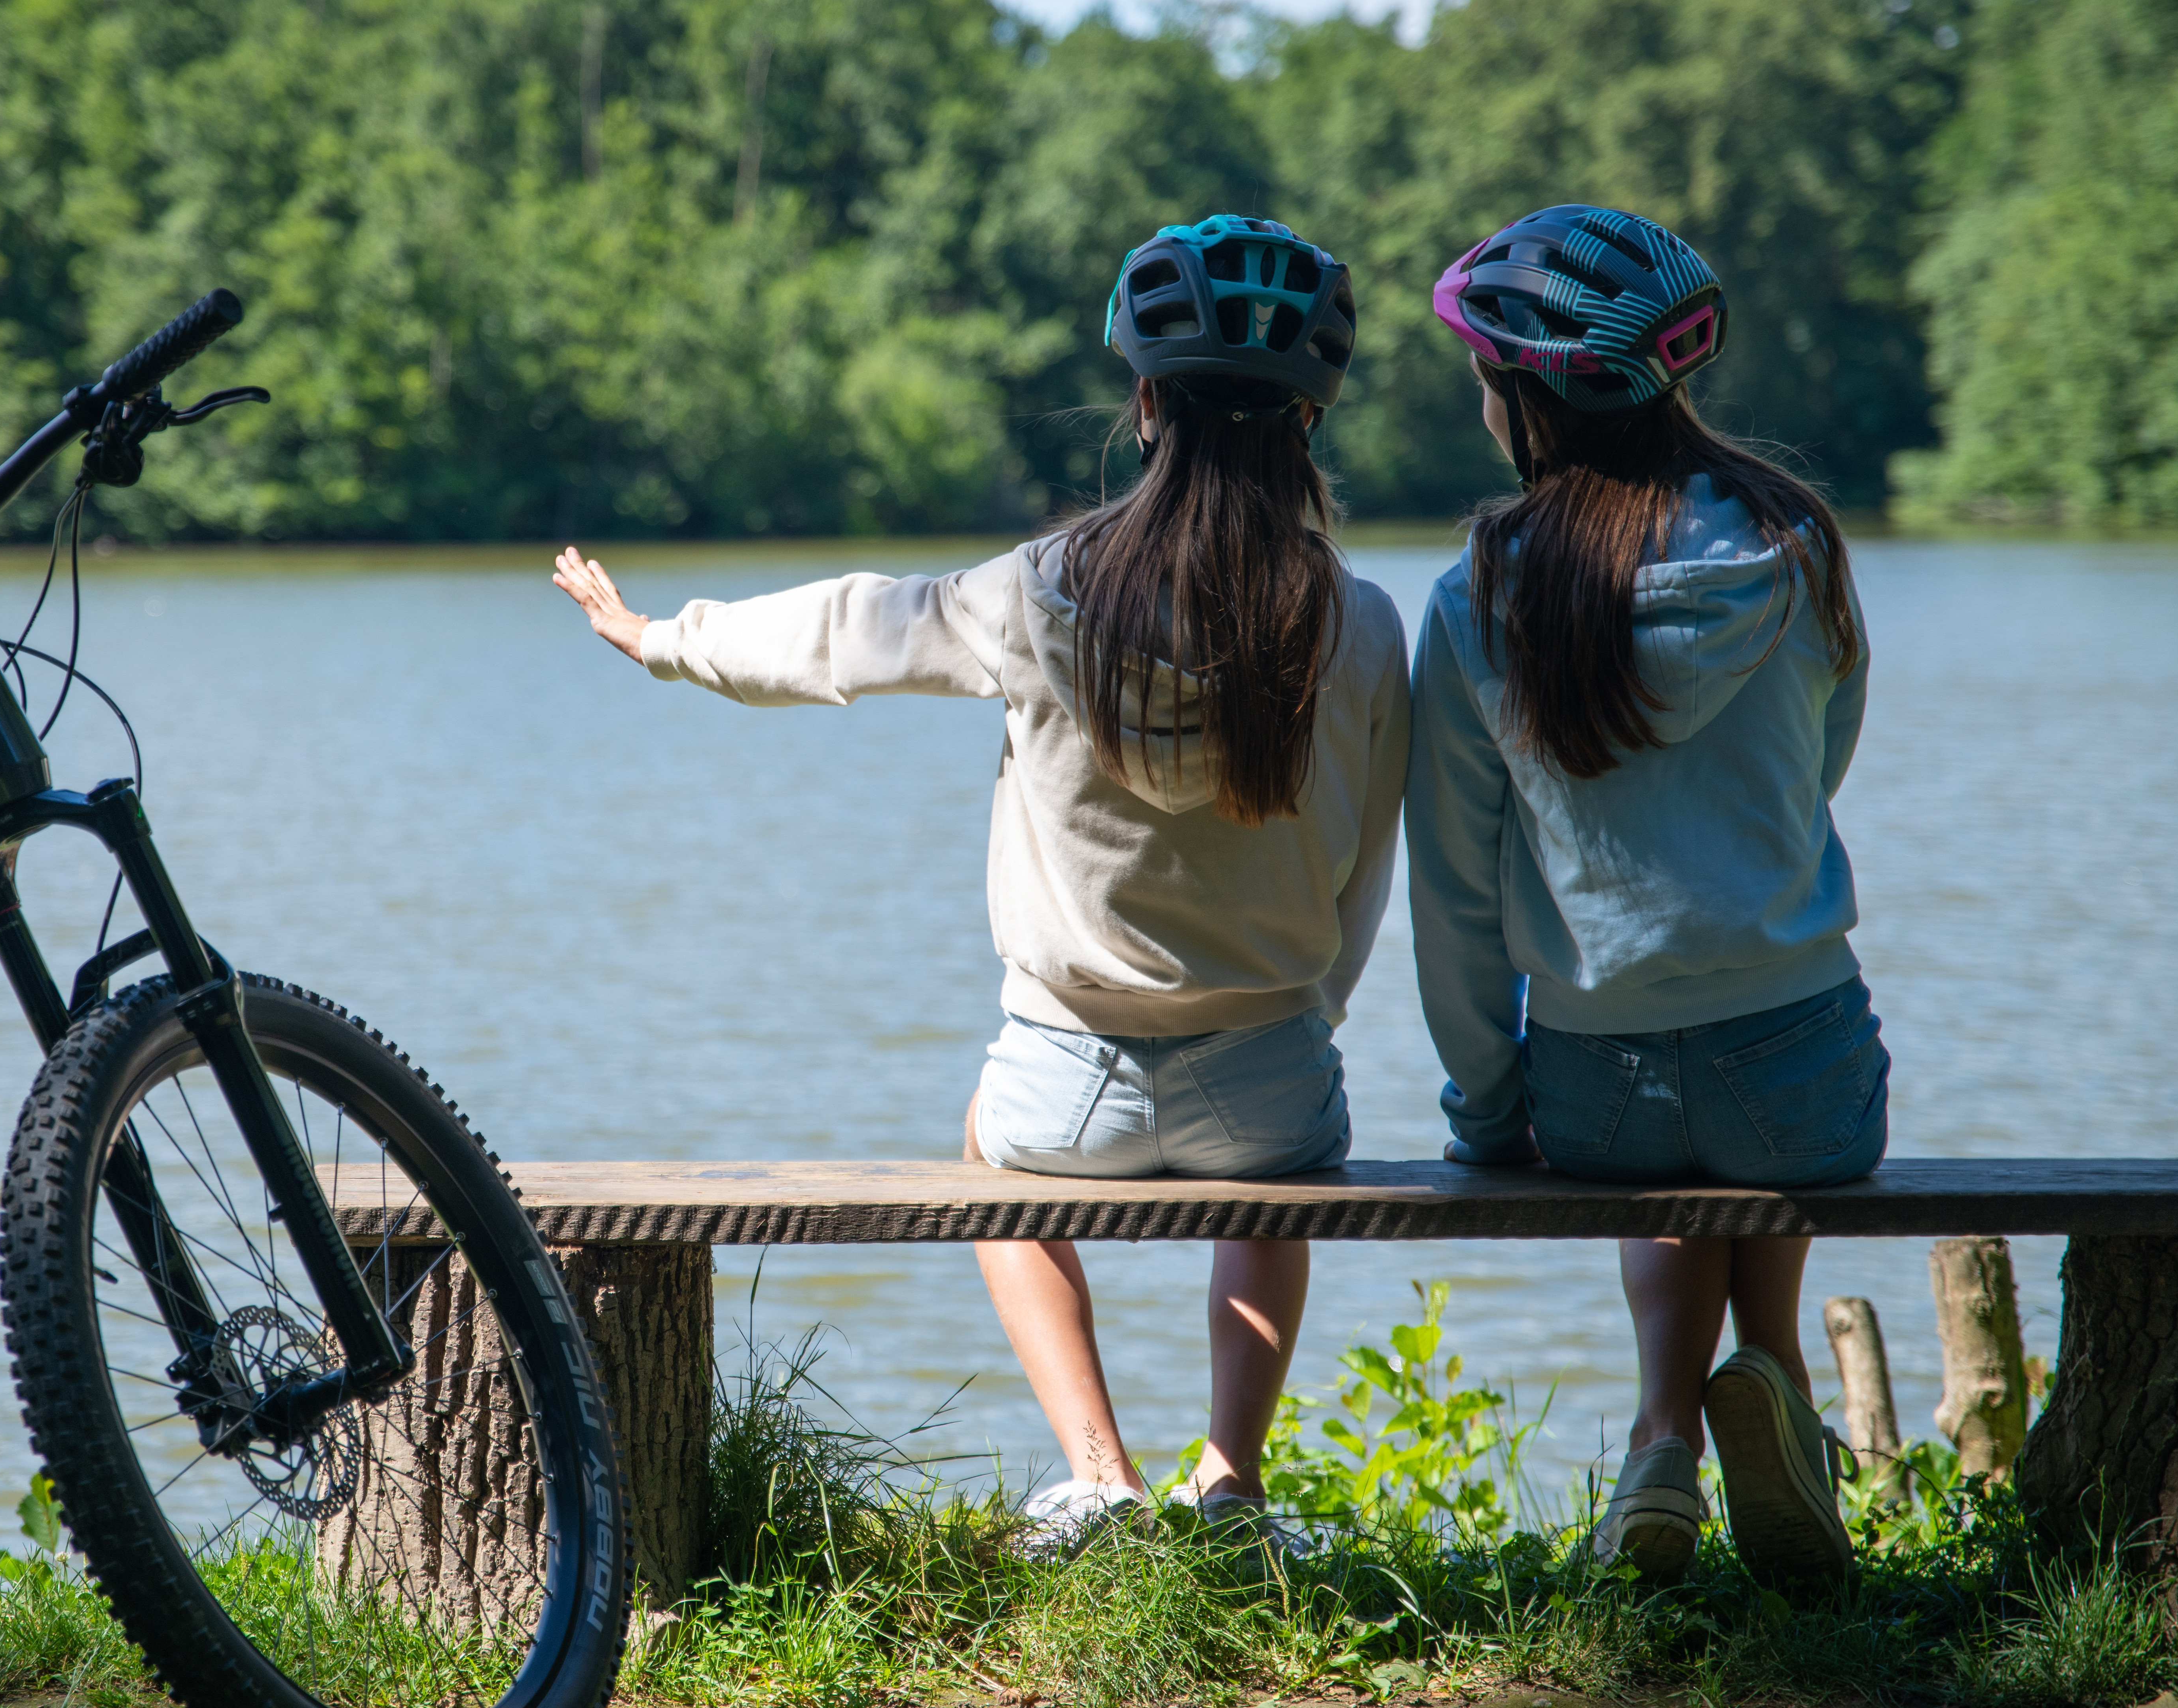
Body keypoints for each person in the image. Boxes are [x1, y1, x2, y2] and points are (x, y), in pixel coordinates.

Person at [552, 216, 1408, 1553]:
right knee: (1272, 1196)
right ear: (1308, 423)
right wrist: (1312, 1017)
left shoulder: (1042, 592)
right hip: (1274, 1089)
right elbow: (1366, 872)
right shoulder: (1357, 620)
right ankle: (1232, 1483)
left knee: (981, 1142)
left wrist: (665, 638)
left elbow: (847, 627)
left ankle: (1098, 1473)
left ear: (1143, 406)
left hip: (1066, 1090)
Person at [1405, 203, 1885, 1586]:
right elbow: (1815, 784)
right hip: (1806, 1077)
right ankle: (1776, 1378)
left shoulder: (1482, 592)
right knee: (1751, 1121)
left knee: (1668, 1146)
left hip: (1595, 1089)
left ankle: (1659, 1438)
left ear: (1523, 394)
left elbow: (1453, 891)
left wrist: (1489, 1111)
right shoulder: (1799, 547)